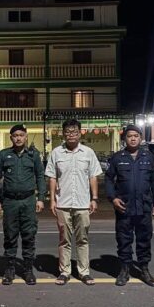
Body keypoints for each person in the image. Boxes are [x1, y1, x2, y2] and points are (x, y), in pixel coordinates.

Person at [45, 119, 103, 285]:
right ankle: (64, 272)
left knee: (82, 240)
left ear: (80, 133)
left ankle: (84, 272)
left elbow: (93, 176)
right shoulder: (56, 153)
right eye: (68, 132)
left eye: (74, 132)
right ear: (63, 134)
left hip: (83, 204)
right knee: (64, 240)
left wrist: (94, 198)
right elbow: (52, 177)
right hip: (62, 203)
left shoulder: (88, 153)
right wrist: (52, 200)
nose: (71, 135)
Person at [105, 124, 154, 287]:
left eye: (136, 136)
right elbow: (109, 179)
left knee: (144, 239)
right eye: (129, 136)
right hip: (124, 207)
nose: (133, 139)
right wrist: (113, 198)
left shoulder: (148, 157)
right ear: (125, 139)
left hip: (144, 206)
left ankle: (144, 269)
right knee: (124, 239)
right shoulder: (117, 158)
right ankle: (124, 269)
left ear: (141, 138)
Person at [0, 124, 46, 285]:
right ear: (11, 138)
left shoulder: (33, 155)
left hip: (28, 201)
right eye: (15, 136)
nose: (18, 138)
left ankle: (28, 269)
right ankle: (9, 269)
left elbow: (40, 176)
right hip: (10, 202)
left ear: (26, 136)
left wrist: (41, 198)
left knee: (29, 235)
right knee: (10, 236)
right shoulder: (4, 155)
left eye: (21, 135)